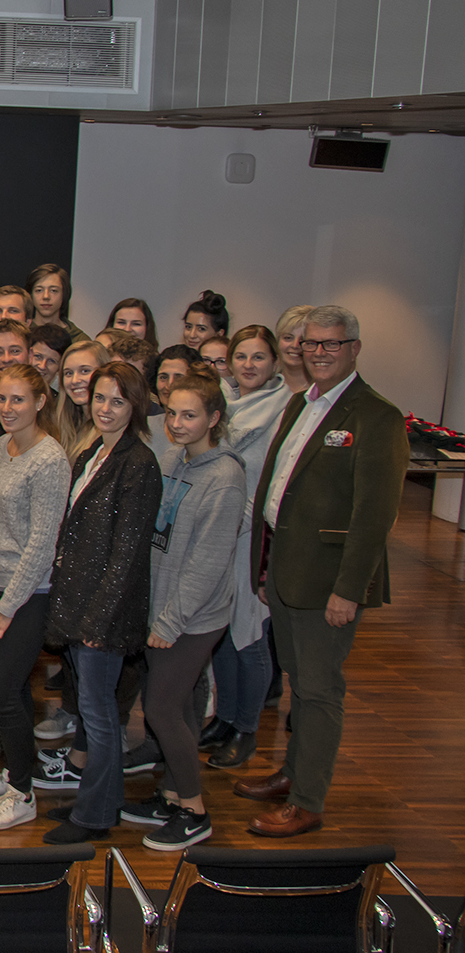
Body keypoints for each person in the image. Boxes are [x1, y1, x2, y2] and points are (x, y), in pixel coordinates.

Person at [236, 305, 407, 838]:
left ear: (354, 348)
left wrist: (348, 590)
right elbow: (279, 490)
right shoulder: (299, 404)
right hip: (287, 572)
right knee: (299, 688)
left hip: (327, 584)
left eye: (332, 344)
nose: (321, 352)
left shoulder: (375, 417)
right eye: (312, 344)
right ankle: (293, 772)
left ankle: (308, 801)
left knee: (318, 690)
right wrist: (264, 566)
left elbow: (375, 516)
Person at [119, 367, 243, 852]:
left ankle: (194, 810)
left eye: (190, 415)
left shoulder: (225, 477)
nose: (177, 423)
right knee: (182, 707)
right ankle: (172, 792)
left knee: (164, 708)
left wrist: (170, 621)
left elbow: (207, 563)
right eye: (171, 413)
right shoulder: (171, 458)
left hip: (193, 617)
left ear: (214, 418)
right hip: (161, 606)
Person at [39, 361, 161, 844]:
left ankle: (92, 818)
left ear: (136, 406)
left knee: (101, 716)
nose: (106, 409)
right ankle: (99, 801)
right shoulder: (94, 450)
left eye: (118, 401)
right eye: (100, 398)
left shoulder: (140, 464)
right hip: (79, 602)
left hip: (103, 614)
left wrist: (98, 617)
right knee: (94, 714)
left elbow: (128, 554)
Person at [0, 364, 70, 829]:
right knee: (15, 689)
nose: (7, 407)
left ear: (41, 402)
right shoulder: (1, 447)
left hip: (27, 595)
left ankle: (23, 795)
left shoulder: (50, 459)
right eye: (1, 398)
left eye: (18, 399)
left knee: (0, 692)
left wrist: (7, 607)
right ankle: (15, 773)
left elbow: (43, 544)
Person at [205, 326, 291, 769]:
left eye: (259, 357)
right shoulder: (221, 405)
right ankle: (223, 718)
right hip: (218, 528)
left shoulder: (288, 409)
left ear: (276, 362)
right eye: (241, 357)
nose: (249, 366)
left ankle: (247, 729)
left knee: (250, 634)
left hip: (254, 534)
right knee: (219, 629)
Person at [54, 339, 112, 456]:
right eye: (68, 373)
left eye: (85, 371)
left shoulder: (110, 432)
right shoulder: (60, 426)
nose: (75, 380)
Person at [28, 264, 86, 342]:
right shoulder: (21, 334)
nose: (46, 296)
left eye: (53, 291)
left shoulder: (79, 340)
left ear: (64, 294)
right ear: (31, 294)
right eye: (39, 290)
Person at [276, 304, 316, 397]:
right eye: (288, 338)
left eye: (303, 340)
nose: (295, 345)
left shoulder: (323, 389)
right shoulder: (265, 386)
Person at [30, 323, 73, 391]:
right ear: (28, 354)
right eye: (38, 356)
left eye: (51, 361)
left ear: (60, 366)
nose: (42, 366)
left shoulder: (62, 398)